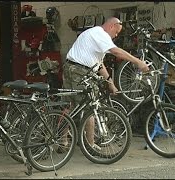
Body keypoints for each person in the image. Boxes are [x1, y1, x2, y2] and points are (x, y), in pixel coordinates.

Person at [62, 17, 149, 150]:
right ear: (112, 26)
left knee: (69, 105)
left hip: (71, 68)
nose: (116, 36)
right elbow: (116, 51)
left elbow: (100, 64)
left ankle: (61, 141)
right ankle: (90, 145)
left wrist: (111, 83)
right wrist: (137, 61)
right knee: (91, 106)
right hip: (79, 71)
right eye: (116, 32)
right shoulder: (100, 33)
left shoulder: (93, 35)